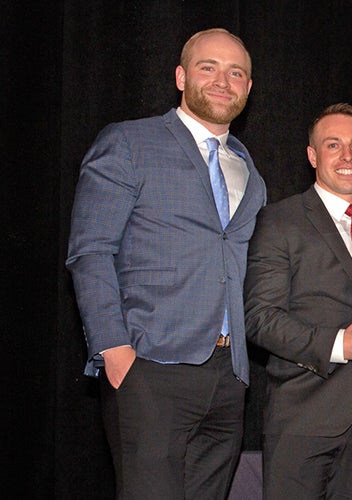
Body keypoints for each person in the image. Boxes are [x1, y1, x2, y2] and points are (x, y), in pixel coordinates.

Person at [65, 28, 266, 498]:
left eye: (236, 72)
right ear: (180, 76)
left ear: (249, 88)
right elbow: (90, 251)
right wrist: (115, 352)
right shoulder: (129, 142)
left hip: (228, 376)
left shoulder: (247, 167)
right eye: (207, 67)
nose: (223, 80)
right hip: (149, 368)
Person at [243, 103, 352, 499]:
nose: (347, 157)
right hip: (304, 412)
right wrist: (337, 345)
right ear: (313, 155)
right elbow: (259, 317)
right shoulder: (280, 220)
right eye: (333, 145)